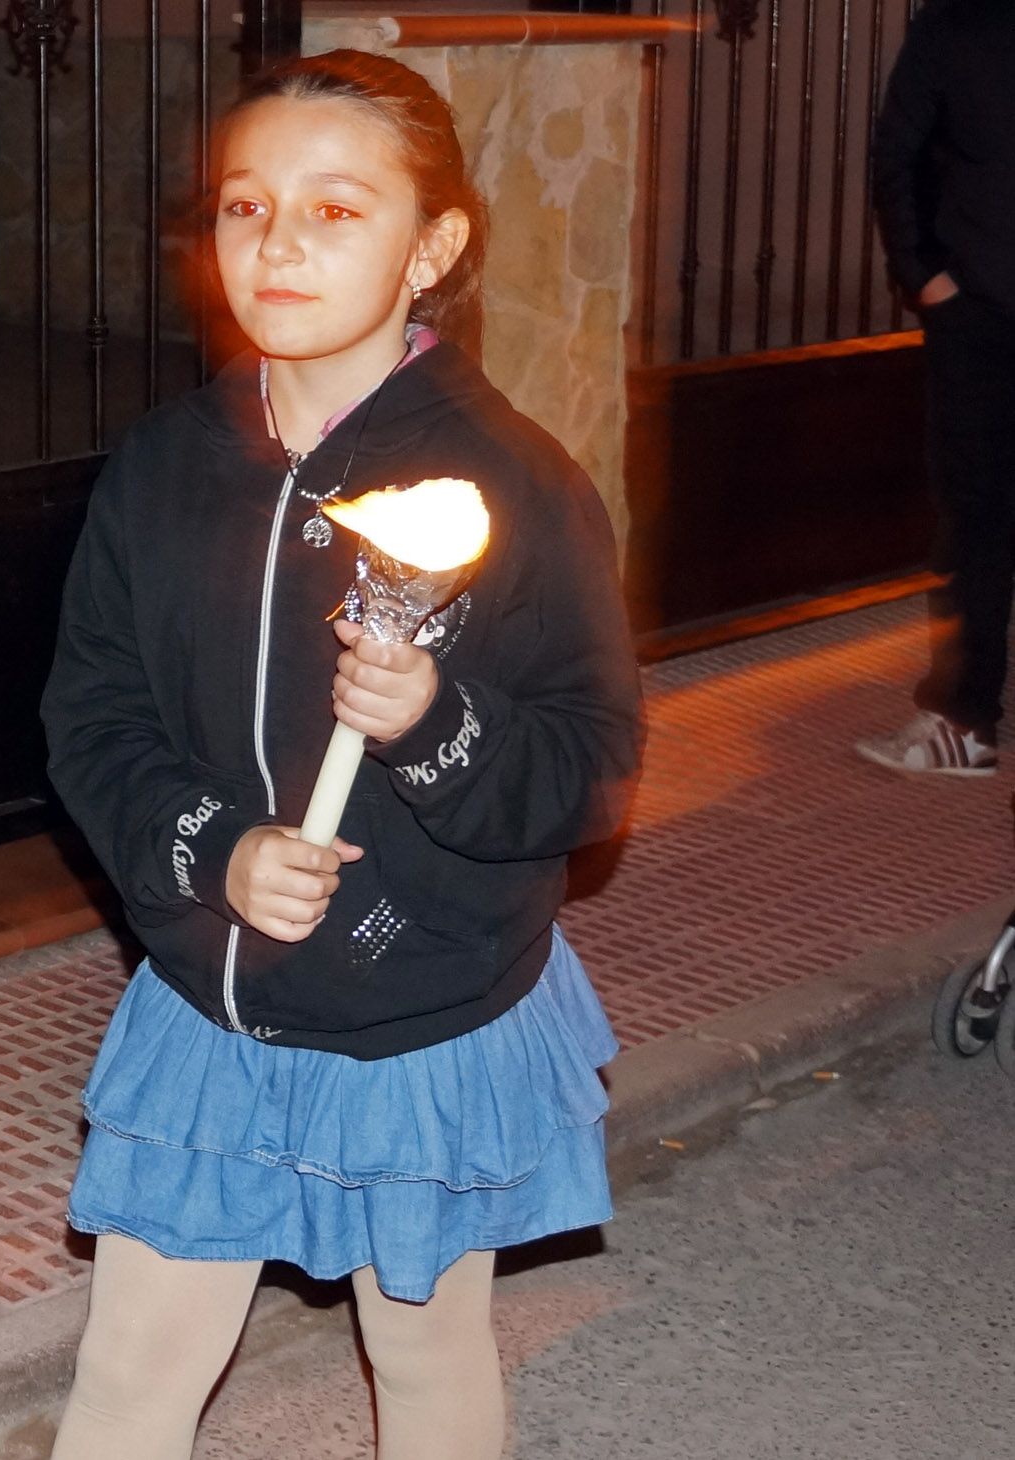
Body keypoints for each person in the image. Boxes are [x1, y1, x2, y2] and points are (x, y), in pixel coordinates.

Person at [38, 51, 644, 1460]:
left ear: (432, 247)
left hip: (416, 1007)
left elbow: (588, 769)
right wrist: (212, 851)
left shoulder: (515, 483)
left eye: (335, 209)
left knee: (422, 1351)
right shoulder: (163, 464)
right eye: (247, 209)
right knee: (128, 1369)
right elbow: (93, 713)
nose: (280, 244)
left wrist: (434, 726)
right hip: (208, 1001)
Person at [856, 0, 1015, 777]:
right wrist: (928, 279)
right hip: (983, 316)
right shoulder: (960, 25)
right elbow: (899, 154)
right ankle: (963, 720)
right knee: (976, 522)